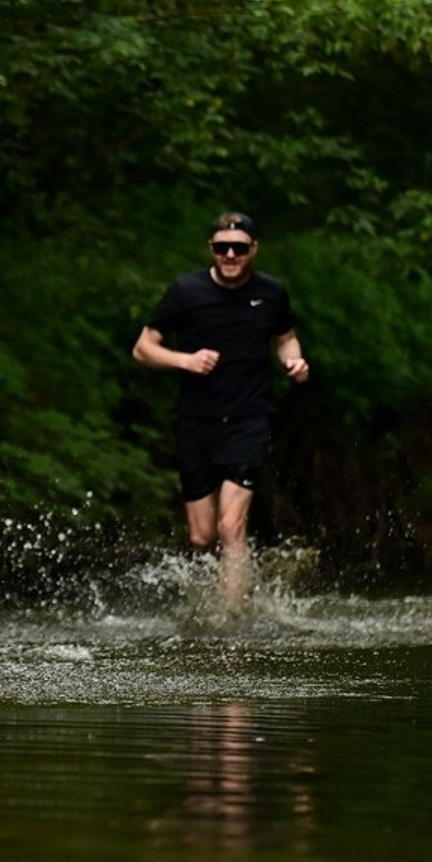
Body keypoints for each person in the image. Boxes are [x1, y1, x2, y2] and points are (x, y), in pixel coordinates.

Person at [132, 211, 309, 610]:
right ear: (210, 249)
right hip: (196, 420)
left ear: (254, 250)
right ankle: (208, 600)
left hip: (249, 417)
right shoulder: (185, 291)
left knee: (231, 527)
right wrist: (185, 361)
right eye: (222, 247)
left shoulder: (272, 292)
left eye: (239, 247)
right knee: (202, 536)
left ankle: (229, 622)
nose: (230, 254)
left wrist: (294, 362)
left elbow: (286, 339)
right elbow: (142, 348)